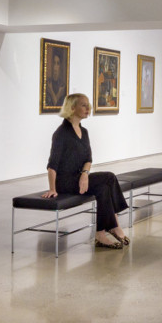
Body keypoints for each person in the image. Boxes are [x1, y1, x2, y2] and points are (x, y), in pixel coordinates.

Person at [43, 93, 129, 248]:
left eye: (88, 104)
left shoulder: (85, 132)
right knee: (109, 177)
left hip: (78, 178)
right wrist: (52, 189)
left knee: (103, 188)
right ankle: (115, 224)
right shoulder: (61, 133)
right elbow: (52, 165)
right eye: (84, 105)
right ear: (72, 107)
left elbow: (88, 160)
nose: (88, 108)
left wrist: (84, 174)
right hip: (65, 182)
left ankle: (100, 234)